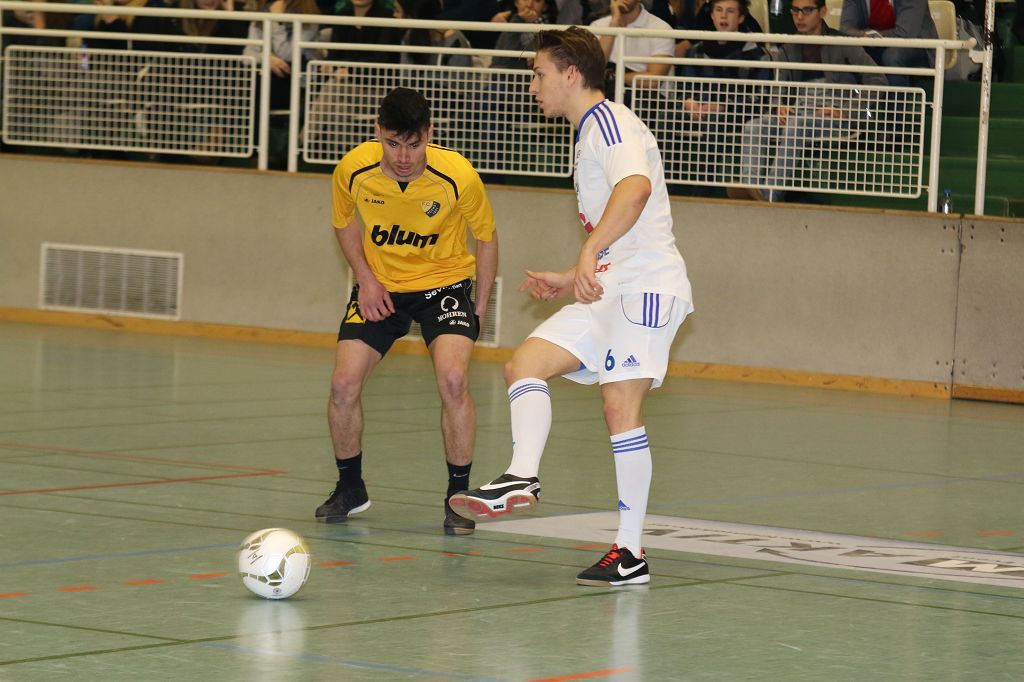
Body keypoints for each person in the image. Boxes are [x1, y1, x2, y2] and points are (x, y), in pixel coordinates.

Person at [449, 26, 692, 587]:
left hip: (646, 286)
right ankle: (521, 475)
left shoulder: (610, 122)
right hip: (609, 284)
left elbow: (635, 190)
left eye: (539, 74)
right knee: (525, 364)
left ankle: (629, 553)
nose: (532, 85)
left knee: (619, 406)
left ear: (571, 74)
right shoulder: (587, 135)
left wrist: (589, 250)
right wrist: (573, 272)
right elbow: (619, 223)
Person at [319, 87, 499, 536]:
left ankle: (458, 497)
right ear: (377, 132)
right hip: (382, 288)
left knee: (453, 380)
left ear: (429, 135)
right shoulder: (353, 169)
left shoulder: (458, 176)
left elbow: (486, 238)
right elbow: (343, 223)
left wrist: (480, 306)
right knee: (342, 384)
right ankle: (350, 487)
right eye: (393, 143)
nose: (403, 157)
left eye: (414, 144)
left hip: (445, 285)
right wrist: (365, 278)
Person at [738, 0, 887, 201]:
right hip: (799, 112)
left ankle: (769, 194)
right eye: (795, 11)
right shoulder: (787, 48)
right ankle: (750, 190)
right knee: (753, 126)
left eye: (807, 10)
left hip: (835, 116)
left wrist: (846, 110)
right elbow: (778, 87)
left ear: (823, 11)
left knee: (796, 124)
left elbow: (878, 79)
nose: (800, 17)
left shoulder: (844, 43)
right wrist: (778, 105)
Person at [681, 0, 770, 197]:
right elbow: (685, 85)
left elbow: (760, 99)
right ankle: (663, 189)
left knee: (714, 121)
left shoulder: (756, 53)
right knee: (664, 118)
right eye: (719, 10)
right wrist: (688, 100)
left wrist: (722, 107)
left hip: (737, 113)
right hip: (698, 111)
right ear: (712, 15)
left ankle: (702, 193)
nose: (723, 16)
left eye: (730, 11)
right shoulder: (697, 50)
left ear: (741, 17)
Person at [839, 0, 937, 86]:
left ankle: (896, 102)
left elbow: (905, 33)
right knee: (846, 52)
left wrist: (872, 37)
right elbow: (845, 29)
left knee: (892, 56)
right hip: (873, 45)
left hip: (916, 44)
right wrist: (865, 36)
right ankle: (853, 101)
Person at [590, 0, 675, 93]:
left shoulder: (661, 29)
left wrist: (612, 76)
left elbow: (653, 81)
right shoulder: (597, 26)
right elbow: (593, 71)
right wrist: (613, 25)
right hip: (605, 96)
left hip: (646, 99)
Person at [491, 0, 556, 70]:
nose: (529, 4)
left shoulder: (549, 31)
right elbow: (503, 60)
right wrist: (517, 20)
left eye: (537, 1)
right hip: (503, 74)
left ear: (545, 7)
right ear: (516, 2)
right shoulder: (507, 23)